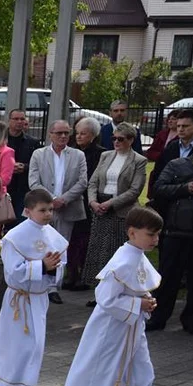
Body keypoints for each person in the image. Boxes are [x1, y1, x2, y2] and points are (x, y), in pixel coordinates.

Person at [59, 207, 176, 386]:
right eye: (150, 234)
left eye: (157, 235)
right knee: (100, 373)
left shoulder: (138, 257)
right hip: (109, 331)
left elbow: (138, 289)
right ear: (132, 233)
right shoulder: (121, 262)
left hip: (132, 329)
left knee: (143, 372)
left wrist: (146, 303)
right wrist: (138, 304)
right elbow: (105, 298)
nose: (155, 239)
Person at [0, 188, 67, 386]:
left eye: (50, 209)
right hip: (20, 298)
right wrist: (42, 265)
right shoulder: (15, 237)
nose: (48, 214)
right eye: (42, 210)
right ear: (27, 211)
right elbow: (13, 271)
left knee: (35, 344)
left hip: (39, 297)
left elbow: (60, 268)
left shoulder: (54, 237)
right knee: (18, 344)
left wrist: (52, 269)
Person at [148, 127, 193, 334]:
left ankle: (192, 319)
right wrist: (185, 188)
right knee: (169, 277)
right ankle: (158, 317)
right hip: (178, 231)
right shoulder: (178, 165)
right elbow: (159, 189)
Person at [81, 124, 147, 298]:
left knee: (115, 252)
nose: (116, 142)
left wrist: (111, 203)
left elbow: (134, 190)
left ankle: (116, 293)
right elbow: (93, 182)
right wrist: (93, 201)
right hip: (100, 208)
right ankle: (98, 293)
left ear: (131, 140)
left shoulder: (139, 161)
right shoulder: (106, 155)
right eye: (114, 138)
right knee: (98, 251)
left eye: (121, 139)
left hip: (120, 210)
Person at [28, 120, 87, 304]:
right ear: (50, 134)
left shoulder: (78, 155)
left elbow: (82, 181)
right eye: (59, 133)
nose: (63, 136)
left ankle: (54, 286)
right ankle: (38, 280)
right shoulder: (38, 154)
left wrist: (64, 199)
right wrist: (51, 199)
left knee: (59, 247)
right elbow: (33, 181)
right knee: (39, 245)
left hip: (68, 208)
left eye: (66, 133)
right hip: (43, 209)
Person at [65, 116, 105, 291]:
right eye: (77, 133)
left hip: (88, 201)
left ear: (93, 135)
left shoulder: (100, 154)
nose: (79, 136)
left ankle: (84, 274)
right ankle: (71, 272)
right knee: (72, 239)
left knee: (85, 240)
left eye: (83, 133)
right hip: (71, 199)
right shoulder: (71, 151)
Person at [150, 108, 193, 201]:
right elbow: (158, 172)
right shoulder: (171, 146)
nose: (180, 129)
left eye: (185, 126)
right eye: (178, 126)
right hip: (169, 198)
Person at [5, 109, 40, 222]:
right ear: (9, 121)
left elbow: (38, 165)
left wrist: (24, 167)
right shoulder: (0, 140)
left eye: (22, 119)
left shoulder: (32, 142)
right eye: (16, 119)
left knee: (20, 221)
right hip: (4, 188)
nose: (19, 122)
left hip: (23, 189)